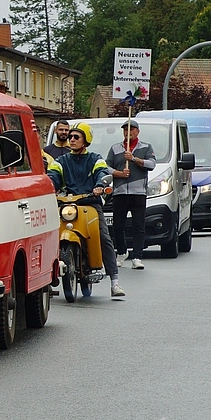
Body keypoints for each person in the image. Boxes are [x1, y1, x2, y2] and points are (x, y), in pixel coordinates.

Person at [46, 123, 124, 298]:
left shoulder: (95, 158)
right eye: (70, 136)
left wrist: (100, 186)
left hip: (90, 203)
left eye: (76, 137)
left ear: (86, 140)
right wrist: (50, 185)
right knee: (49, 236)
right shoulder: (61, 161)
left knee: (103, 236)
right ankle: (47, 281)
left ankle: (115, 281)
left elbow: (102, 173)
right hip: (67, 203)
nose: (71, 139)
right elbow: (53, 175)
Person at [106, 120, 156, 270]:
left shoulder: (146, 147)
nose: (128, 133)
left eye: (131, 130)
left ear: (137, 132)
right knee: (118, 226)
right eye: (125, 130)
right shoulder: (115, 148)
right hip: (120, 192)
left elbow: (152, 164)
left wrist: (134, 159)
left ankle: (137, 256)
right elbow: (106, 166)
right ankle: (121, 252)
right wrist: (118, 173)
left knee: (138, 225)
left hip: (138, 192)